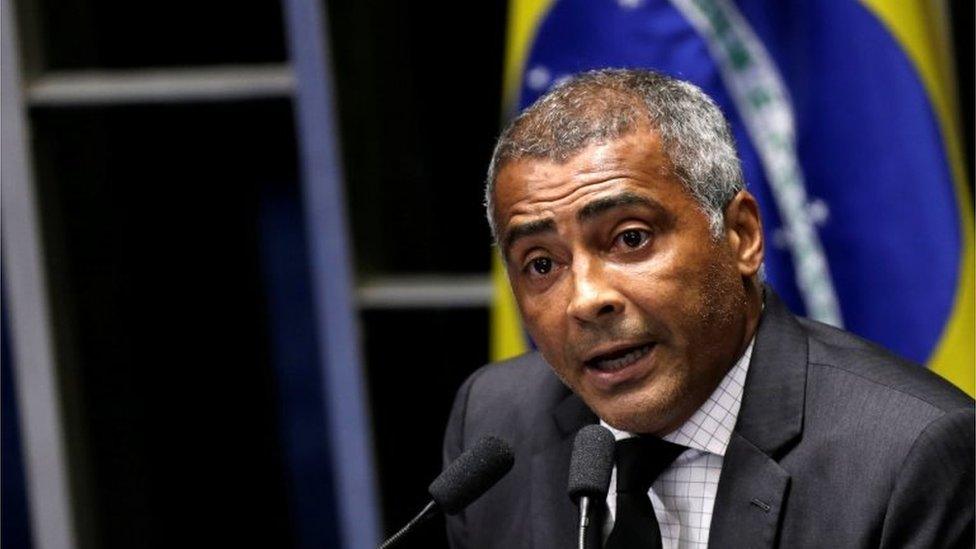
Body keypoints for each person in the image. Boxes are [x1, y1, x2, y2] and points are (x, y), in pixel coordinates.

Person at [443, 68, 974, 548]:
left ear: (741, 235)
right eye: (540, 265)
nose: (586, 299)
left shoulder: (912, 456)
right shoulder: (495, 422)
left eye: (631, 238)